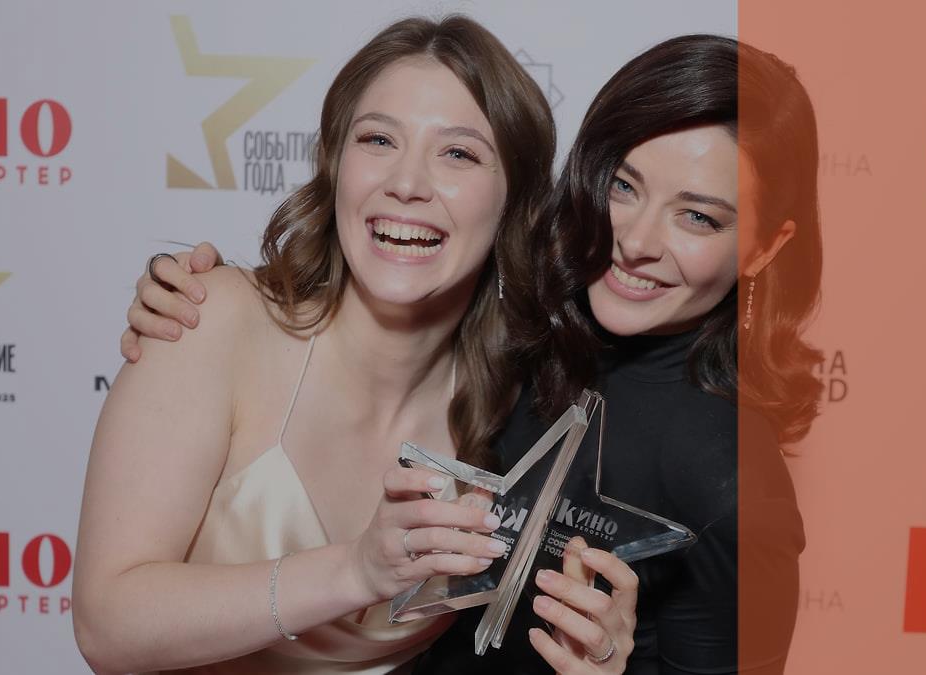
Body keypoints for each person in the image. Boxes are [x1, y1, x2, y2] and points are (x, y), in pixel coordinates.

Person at [128, 35, 822, 675]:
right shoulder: (516, 342)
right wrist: (204, 306)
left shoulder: (734, 485)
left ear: (765, 246)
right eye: (623, 185)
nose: (636, 241)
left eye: (698, 216)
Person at [72, 15, 584, 675]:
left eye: (458, 153)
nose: (407, 182)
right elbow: (105, 625)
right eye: (378, 139)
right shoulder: (211, 319)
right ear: (336, 166)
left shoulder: (521, 405)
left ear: (514, 201)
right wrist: (355, 571)